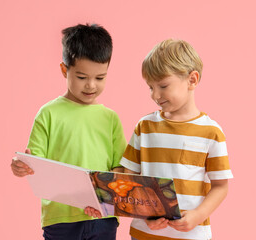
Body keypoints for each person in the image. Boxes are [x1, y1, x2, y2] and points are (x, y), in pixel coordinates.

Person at [87, 39, 233, 240]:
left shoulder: (211, 132)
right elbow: (128, 179)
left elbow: (221, 186)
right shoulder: (145, 127)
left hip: (191, 235)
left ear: (192, 80)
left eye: (163, 86)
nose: (155, 95)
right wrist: (103, 201)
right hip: (144, 233)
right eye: (150, 87)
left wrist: (198, 216)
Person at [10, 23, 127, 240]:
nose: (91, 85)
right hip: (60, 219)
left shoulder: (110, 119)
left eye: (100, 78)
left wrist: (104, 199)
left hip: (103, 218)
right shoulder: (48, 114)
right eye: (82, 77)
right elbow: (36, 163)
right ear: (65, 70)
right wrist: (22, 165)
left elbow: (119, 168)